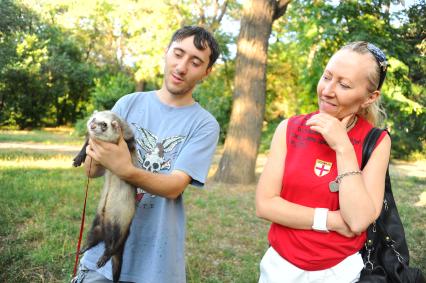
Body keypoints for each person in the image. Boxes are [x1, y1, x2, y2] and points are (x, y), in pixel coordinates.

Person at [73, 26, 220, 283]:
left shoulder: (204, 124)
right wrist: (94, 142)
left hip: (155, 263)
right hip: (103, 251)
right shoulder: (128, 103)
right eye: (178, 53)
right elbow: (90, 171)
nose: (182, 67)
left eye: (195, 62)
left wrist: (125, 169)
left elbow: (174, 187)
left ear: (206, 72)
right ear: (166, 53)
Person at [255, 41, 391, 283]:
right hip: (280, 266)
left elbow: (358, 220)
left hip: (340, 271)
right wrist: (331, 220)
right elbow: (265, 205)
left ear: (370, 97)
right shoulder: (290, 128)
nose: (328, 90)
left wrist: (343, 148)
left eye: (344, 84)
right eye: (327, 76)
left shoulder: (377, 141)